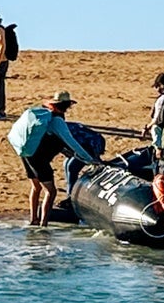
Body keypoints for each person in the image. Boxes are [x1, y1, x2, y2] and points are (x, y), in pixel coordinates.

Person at [8, 90, 104, 227]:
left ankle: (33, 219)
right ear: (67, 106)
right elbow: (72, 143)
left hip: (26, 155)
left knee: (36, 187)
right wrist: (90, 160)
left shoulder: (45, 117)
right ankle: (43, 224)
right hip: (39, 158)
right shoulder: (58, 122)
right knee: (51, 191)